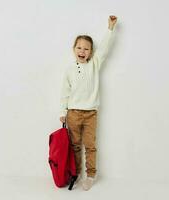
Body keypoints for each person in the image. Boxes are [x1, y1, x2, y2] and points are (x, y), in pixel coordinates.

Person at [59, 15, 118, 190]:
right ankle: (76, 174)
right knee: (75, 146)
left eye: (86, 48)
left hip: (91, 113)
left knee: (90, 146)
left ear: (91, 52)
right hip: (73, 114)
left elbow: (105, 49)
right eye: (79, 47)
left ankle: (91, 175)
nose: (82, 51)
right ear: (73, 49)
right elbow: (64, 92)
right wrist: (63, 112)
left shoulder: (95, 64)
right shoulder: (69, 69)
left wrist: (110, 28)